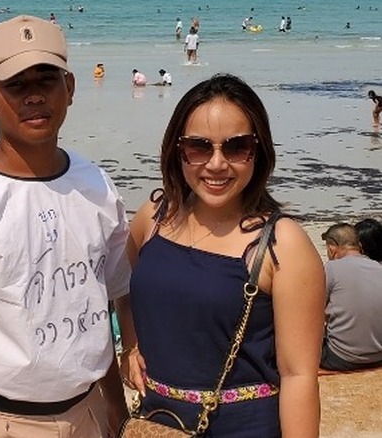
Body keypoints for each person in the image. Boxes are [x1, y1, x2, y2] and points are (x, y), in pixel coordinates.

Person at [0, 14, 131, 438]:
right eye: (15, 85)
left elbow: (107, 299)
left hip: (90, 411)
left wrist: (117, 410)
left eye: (46, 80)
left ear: (69, 89)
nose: (34, 96)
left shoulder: (96, 184)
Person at [119, 74, 324, 436]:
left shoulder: (282, 243)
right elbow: (125, 287)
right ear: (176, 149)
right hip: (158, 422)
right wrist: (131, 346)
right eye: (198, 147)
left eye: (236, 147)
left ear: (257, 152)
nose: (216, 164)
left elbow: (299, 376)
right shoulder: (153, 217)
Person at [320, 223, 382, 371]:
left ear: (331, 248)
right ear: (359, 245)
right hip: (379, 356)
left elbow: (312, 311)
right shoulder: (379, 268)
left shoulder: (331, 268)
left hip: (342, 357)